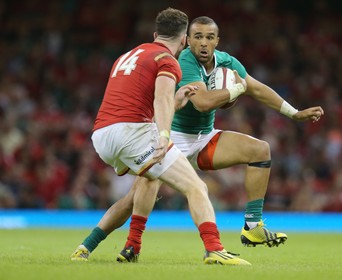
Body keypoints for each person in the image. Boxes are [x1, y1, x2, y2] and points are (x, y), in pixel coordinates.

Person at [71, 16, 324, 262]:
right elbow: (203, 103)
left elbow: (255, 87)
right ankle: (125, 244)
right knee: (137, 195)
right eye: (198, 37)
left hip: (204, 137)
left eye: (209, 37)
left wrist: (294, 112)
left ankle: (252, 226)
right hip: (174, 137)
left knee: (260, 150)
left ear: (217, 41)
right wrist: (234, 90)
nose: (203, 42)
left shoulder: (225, 61)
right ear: (187, 40)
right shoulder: (183, 60)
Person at [71, 9, 251, 266]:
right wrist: (164, 135)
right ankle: (215, 249)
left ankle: (90, 246)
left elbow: (138, 100)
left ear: (156, 34)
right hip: (132, 133)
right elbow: (161, 97)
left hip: (102, 135)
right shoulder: (167, 60)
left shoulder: (128, 55)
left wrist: (176, 102)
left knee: (143, 186)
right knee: (196, 187)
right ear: (184, 41)